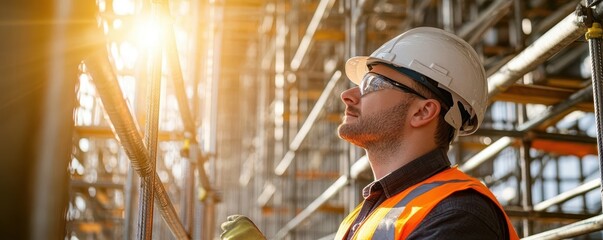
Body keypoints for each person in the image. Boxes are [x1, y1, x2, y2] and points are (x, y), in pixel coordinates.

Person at [219, 27, 519, 239]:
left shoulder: (459, 214)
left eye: (372, 85)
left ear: (423, 112)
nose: (348, 95)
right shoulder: (368, 214)